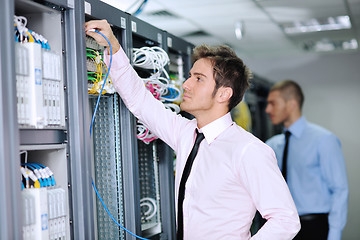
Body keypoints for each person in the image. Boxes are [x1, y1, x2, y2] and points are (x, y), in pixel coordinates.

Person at [85, 19, 300, 240]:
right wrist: (112, 46)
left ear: (223, 94)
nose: (186, 84)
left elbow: (285, 220)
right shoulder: (186, 133)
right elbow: (140, 101)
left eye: (198, 79)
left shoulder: (248, 150)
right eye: (189, 76)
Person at [265, 80, 348, 240]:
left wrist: (334, 235)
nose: (268, 109)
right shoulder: (272, 145)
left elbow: (340, 190)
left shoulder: (324, 140)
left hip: (314, 228)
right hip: (279, 228)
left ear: (291, 104)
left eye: (273, 103)